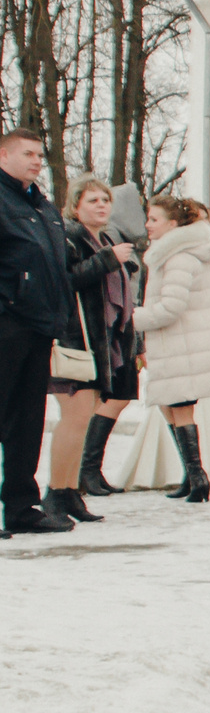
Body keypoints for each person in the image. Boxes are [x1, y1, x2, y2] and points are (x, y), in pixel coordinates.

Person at [46, 178, 141, 521]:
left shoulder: (108, 237)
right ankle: (55, 494)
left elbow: (125, 299)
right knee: (72, 420)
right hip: (75, 340)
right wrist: (106, 260)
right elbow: (64, 281)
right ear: (75, 206)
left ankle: (70, 493)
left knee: (83, 419)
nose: (101, 205)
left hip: (101, 342)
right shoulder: (68, 236)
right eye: (92, 201)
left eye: (105, 199)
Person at [132, 195, 210, 504]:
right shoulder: (189, 252)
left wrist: (131, 317)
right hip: (180, 343)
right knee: (172, 406)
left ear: (173, 224)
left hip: (183, 343)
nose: (148, 225)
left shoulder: (178, 257)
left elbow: (170, 308)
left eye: (154, 219)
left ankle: (197, 477)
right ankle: (191, 476)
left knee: (180, 408)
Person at [0, 127, 76, 537]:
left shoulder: (42, 206)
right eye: (27, 153)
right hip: (7, 322)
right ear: (4, 154)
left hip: (39, 326)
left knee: (27, 421)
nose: (35, 161)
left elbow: (57, 264)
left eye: (39, 155)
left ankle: (21, 507)